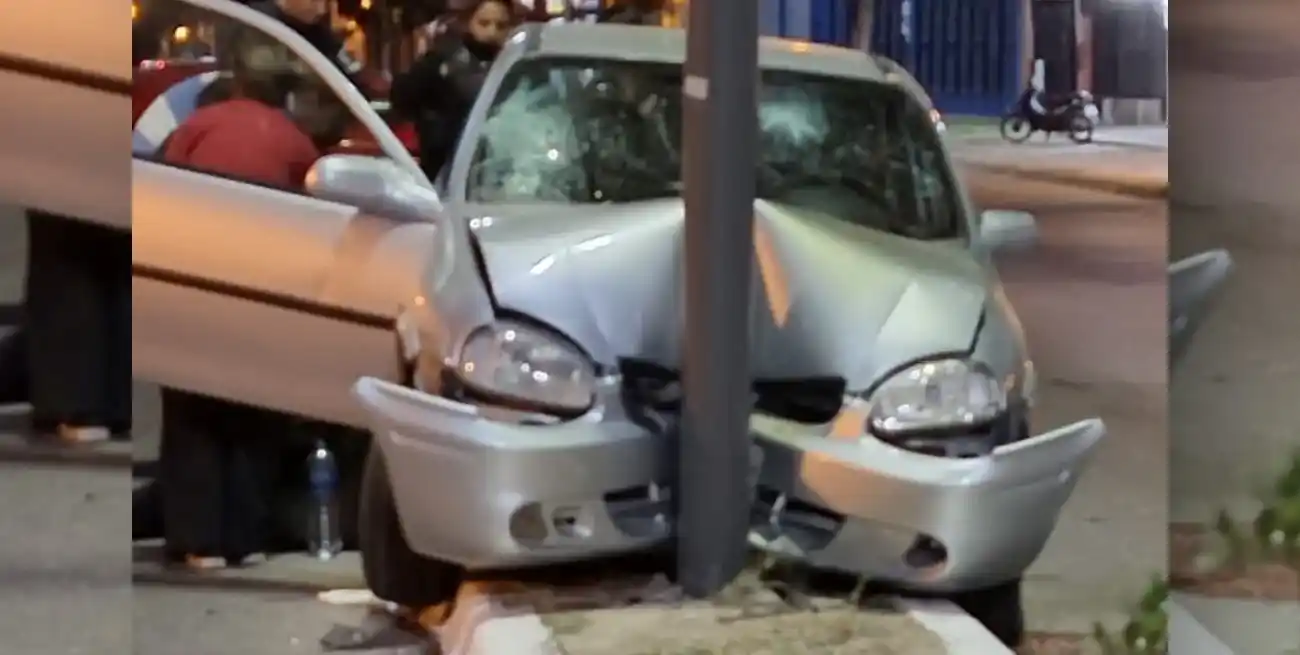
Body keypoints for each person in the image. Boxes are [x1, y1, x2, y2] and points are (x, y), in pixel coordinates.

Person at [147, 40, 324, 569]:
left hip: (193, 282)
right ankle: (244, 537)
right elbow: (317, 214)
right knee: (252, 416)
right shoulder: (294, 140)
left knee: (192, 415)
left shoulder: (196, 127)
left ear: (236, 79)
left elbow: (162, 187)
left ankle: (199, 541)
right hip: (260, 292)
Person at [390, 0, 518, 180]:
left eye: (501, 26)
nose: (492, 32)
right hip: (444, 172)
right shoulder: (440, 61)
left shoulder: (517, 68)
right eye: (484, 23)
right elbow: (403, 99)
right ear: (468, 23)